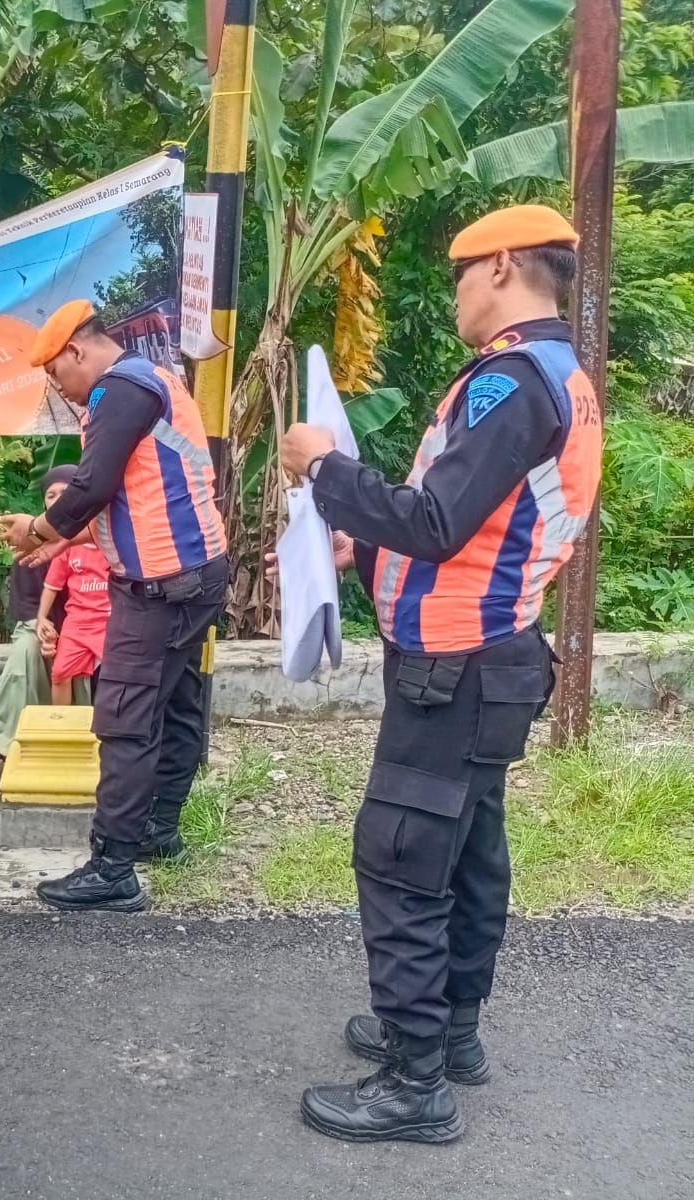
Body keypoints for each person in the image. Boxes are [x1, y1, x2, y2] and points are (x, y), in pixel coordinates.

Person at [279, 204, 601, 1144]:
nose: (455, 294)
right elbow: (477, 532)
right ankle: (448, 1034)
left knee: (403, 857)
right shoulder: (558, 376)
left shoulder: (511, 381)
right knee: (465, 853)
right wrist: (362, 549)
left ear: (498, 266)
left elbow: (436, 522)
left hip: (453, 668)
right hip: (490, 656)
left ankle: (414, 1081)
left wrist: (325, 469)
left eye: (460, 274)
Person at [0, 299, 229, 913]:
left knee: (124, 717)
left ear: (77, 350)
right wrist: (61, 540)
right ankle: (157, 830)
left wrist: (38, 531)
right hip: (194, 573)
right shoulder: (153, 380)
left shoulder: (116, 391)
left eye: (57, 374)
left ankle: (112, 868)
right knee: (176, 703)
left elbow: (92, 482)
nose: (61, 390)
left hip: (160, 584)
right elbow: (129, 493)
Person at [0, 467, 75, 764]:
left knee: (84, 653)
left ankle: (78, 732)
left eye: (66, 493)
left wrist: (68, 632)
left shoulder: (95, 537)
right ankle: (2, 737)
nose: (58, 499)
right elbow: (28, 604)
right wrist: (44, 629)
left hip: (84, 624)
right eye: (51, 494)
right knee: (24, 653)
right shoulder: (31, 543)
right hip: (36, 625)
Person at [38, 536, 110, 706]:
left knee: (117, 674)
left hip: (109, 621)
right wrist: (41, 617)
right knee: (60, 672)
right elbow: (51, 586)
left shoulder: (114, 544)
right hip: (77, 623)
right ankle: (61, 719)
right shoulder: (67, 546)